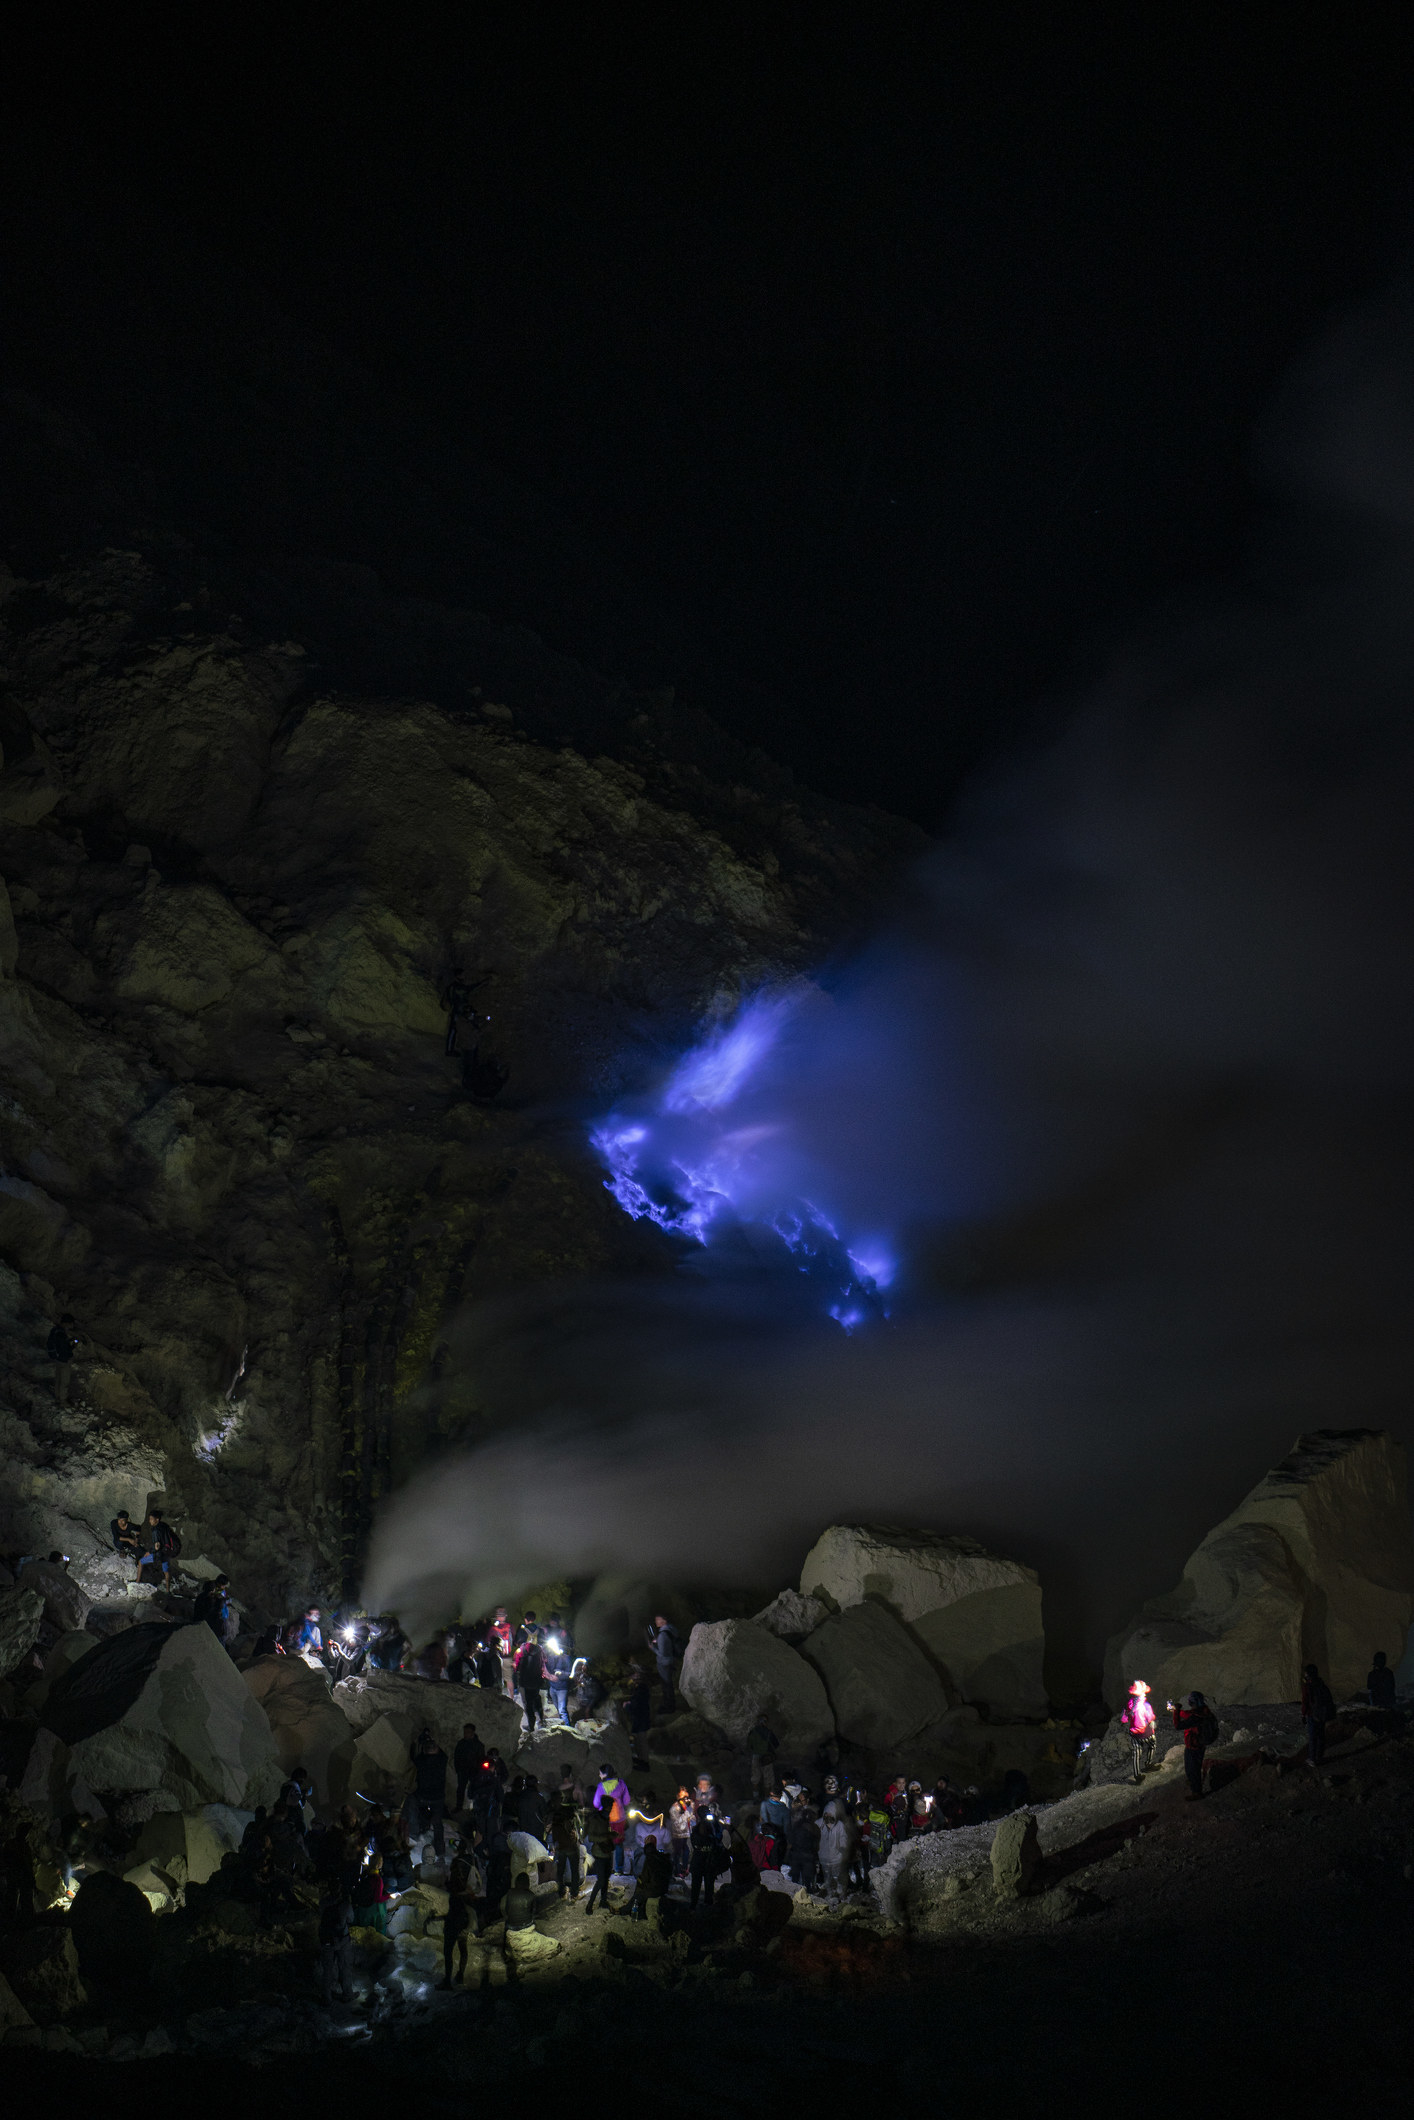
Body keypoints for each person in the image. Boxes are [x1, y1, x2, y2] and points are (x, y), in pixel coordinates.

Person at [439, 1837, 479, 1986]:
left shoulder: (457, 1864)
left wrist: (448, 1885)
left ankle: (447, 1980)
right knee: (463, 1946)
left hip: (456, 1908)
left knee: (448, 1948)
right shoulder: (472, 1861)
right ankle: (460, 1974)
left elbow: (455, 1885)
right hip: (467, 1909)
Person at [1169, 1690, 1216, 1799]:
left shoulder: (1197, 1717)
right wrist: (1177, 1711)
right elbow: (1188, 1714)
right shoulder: (1203, 1711)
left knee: (1192, 1769)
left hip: (1193, 1746)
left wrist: (1176, 1712)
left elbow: (1178, 1726)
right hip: (1200, 1745)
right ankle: (1194, 1784)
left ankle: (1197, 1792)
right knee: (1195, 1767)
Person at [410, 1728, 449, 1853]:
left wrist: (421, 1743)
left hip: (423, 1796)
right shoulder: (441, 1760)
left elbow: (415, 1756)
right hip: (437, 1797)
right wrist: (431, 1741)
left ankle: (419, 1837)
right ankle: (440, 1849)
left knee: (420, 1815)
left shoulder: (421, 1761)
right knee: (438, 1824)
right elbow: (443, 1754)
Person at [548, 1788, 583, 1900]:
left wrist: (553, 1846)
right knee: (574, 1871)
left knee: (561, 1871)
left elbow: (550, 1831)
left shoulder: (553, 1814)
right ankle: (574, 1893)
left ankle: (562, 1892)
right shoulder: (570, 1811)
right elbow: (579, 1825)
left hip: (561, 1847)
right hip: (571, 1846)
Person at [1122, 1678, 1158, 1782]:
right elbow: (1150, 1718)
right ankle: (1149, 1764)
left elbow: (1124, 1719)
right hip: (1145, 1733)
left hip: (1133, 1733)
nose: (1145, 1694)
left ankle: (1137, 1775)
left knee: (1136, 1754)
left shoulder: (1130, 1704)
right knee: (1152, 1745)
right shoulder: (1146, 1706)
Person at [1301, 1661, 1336, 1769]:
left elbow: (1305, 1701)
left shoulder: (1308, 1687)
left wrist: (1303, 1714)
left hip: (1312, 1715)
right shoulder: (1321, 1684)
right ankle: (1319, 1757)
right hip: (1322, 1714)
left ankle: (1312, 1759)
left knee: (1312, 1737)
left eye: (1306, 1674)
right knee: (1321, 1736)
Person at [646, 1614, 682, 1714]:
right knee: (669, 1684)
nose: (656, 1621)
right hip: (672, 1660)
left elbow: (662, 1654)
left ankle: (669, 1707)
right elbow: (669, 1642)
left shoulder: (662, 1635)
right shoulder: (671, 1629)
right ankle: (670, 1704)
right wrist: (659, 1641)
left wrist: (653, 1648)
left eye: (658, 1619)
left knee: (667, 1685)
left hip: (665, 1663)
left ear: (664, 1621)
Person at [818, 1807, 855, 1905]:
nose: (828, 1816)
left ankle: (840, 1893)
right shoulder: (819, 1824)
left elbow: (843, 1837)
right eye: (826, 1814)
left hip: (836, 1857)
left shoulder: (839, 1825)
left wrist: (842, 1847)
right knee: (827, 1877)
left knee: (837, 1875)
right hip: (824, 1857)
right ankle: (829, 1893)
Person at [688, 1805, 723, 1910]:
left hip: (709, 1857)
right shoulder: (696, 1826)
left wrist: (712, 1835)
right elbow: (694, 1841)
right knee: (696, 1883)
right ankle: (693, 1904)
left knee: (709, 1883)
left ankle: (708, 1904)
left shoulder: (715, 1824)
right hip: (699, 1857)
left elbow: (718, 1837)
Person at [630, 1836, 672, 1921]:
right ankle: (636, 1909)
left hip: (655, 1889)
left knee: (640, 1890)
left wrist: (641, 1881)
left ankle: (632, 1911)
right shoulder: (662, 1856)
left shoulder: (648, 1858)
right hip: (664, 1888)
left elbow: (643, 1877)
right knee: (642, 1886)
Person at [583, 1806, 616, 1914]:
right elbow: (591, 1837)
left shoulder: (606, 1819)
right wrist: (606, 1837)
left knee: (605, 1880)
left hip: (607, 1853)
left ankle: (603, 1901)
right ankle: (590, 1904)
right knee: (601, 1880)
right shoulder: (595, 1820)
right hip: (599, 1853)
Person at [137, 1508, 180, 1585]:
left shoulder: (155, 1530)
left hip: (159, 1554)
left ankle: (137, 1582)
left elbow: (156, 1546)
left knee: (140, 1562)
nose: (149, 1521)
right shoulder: (164, 1525)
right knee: (166, 1571)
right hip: (167, 1552)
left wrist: (149, 1552)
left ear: (157, 1520)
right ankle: (167, 1590)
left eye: (151, 1519)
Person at [786, 1797, 820, 1893]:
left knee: (796, 1876)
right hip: (808, 1854)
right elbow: (816, 1842)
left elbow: (791, 1839)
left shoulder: (796, 1826)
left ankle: (795, 1892)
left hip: (797, 1854)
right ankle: (808, 1891)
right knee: (807, 1877)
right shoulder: (814, 1828)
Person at [623, 1659, 653, 1767]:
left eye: (635, 1676)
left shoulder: (641, 1688)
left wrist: (627, 1706)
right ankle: (641, 1759)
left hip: (641, 1717)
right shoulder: (642, 1687)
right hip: (641, 1716)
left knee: (641, 1740)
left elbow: (637, 1705)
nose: (633, 1678)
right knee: (639, 1739)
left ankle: (644, 1763)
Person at [515, 1633, 546, 1734]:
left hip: (525, 1681)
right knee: (537, 1699)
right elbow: (544, 1661)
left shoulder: (522, 1649)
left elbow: (517, 1664)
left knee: (528, 1704)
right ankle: (541, 1721)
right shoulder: (540, 1650)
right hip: (536, 1680)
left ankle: (531, 1726)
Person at [351, 1850, 389, 1932]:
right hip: (371, 1908)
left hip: (362, 1906)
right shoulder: (377, 1879)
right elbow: (377, 1898)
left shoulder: (365, 1873)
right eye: (381, 1861)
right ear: (378, 1863)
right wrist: (389, 1896)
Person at [47, 1312, 79, 1404]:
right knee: (65, 1381)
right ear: (67, 1323)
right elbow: (65, 1348)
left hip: (57, 1358)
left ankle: (57, 1397)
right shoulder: (61, 1333)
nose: (72, 1326)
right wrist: (74, 1346)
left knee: (58, 1379)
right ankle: (63, 1400)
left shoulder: (55, 1330)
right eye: (71, 1324)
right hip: (64, 1360)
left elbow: (59, 1344)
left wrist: (69, 1340)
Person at [453, 1724, 484, 1813]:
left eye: (467, 1732)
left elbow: (481, 1759)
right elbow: (457, 1756)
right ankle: (459, 1807)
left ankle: (476, 1808)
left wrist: (479, 1771)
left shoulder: (479, 1745)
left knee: (475, 1790)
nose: (465, 1734)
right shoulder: (461, 1743)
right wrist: (458, 1768)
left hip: (474, 1771)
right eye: (465, 1732)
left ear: (472, 1733)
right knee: (461, 1789)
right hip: (463, 1770)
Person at [745, 1716, 779, 1797]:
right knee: (768, 1779)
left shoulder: (752, 1732)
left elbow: (749, 1746)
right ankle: (767, 1798)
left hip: (755, 1757)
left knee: (755, 1779)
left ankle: (755, 1798)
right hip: (766, 1758)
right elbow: (776, 1744)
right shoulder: (768, 1732)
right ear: (765, 1722)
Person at [543, 1633, 572, 1723]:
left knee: (562, 1710)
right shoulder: (551, 1657)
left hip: (562, 1689)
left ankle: (568, 1730)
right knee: (558, 1709)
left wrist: (560, 1674)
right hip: (553, 1687)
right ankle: (562, 1725)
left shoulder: (566, 1658)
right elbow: (546, 1667)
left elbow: (570, 1674)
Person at [668, 1787, 695, 1881]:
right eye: (683, 1797)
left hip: (686, 1833)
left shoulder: (687, 1806)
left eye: (686, 1797)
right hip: (677, 1833)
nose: (685, 1799)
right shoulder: (674, 1808)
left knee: (686, 1850)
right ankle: (678, 1870)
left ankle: (684, 1868)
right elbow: (677, 1822)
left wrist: (691, 1808)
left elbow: (692, 1818)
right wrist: (685, 1813)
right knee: (677, 1852)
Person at [489, 1607, 514, 1694]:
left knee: (498, 1678)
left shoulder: (493, 1629)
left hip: (498, 1656)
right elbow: (514, 1640)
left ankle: (500, 1696)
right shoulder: (510, 1627)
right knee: (508, 1678)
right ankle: (510, 1698)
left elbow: (488, 1640)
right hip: (505, 1656)